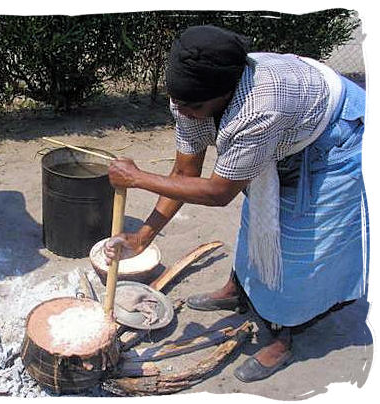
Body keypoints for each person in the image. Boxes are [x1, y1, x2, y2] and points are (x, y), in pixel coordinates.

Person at [104, 25, 368, 382]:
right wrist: (142, 237)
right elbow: (185, 172)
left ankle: (282, 334)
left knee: (297, 245)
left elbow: (218, 192)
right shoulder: (190, 97)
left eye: (193, 107)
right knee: (256, 218)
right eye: (178, 104)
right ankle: (239, 290)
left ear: (224, 94)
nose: (184, 112)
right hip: (287, 128)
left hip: (334, 138)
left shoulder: (257, 110)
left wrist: (136, 178)